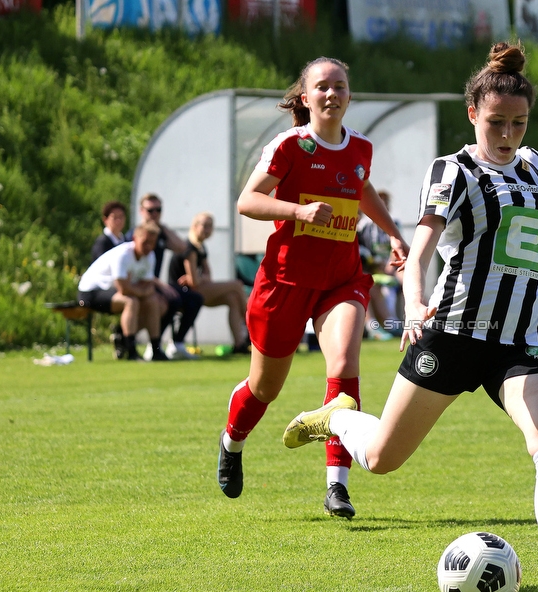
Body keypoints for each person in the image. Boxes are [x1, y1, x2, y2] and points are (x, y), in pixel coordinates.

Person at [282, 42, 538, 592]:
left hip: (525, 339)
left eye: (518, 123)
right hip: (455, 331)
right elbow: (418, 254)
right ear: (473, 115)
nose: (508, 134)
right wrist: (414, 305)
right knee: (382, 459)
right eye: (497, 123)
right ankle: (339, 419)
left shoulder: (537, 166)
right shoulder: (453, 170)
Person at [216, 56, 409, 520]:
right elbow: (248, 200)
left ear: (348, 95)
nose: (332, 94)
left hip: (340, 281)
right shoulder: (290, 146)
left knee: (344, 369)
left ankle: (336, 487)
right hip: (283, 283)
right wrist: (298, 212)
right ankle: (231, 442)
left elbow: (361, 189)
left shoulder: (360, 148)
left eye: (340, 86)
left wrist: (392, 232)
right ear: (306, 98)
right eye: (322, 87)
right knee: (265, 388)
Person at [77, 222, 169, 361]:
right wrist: (141, 291)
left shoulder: (149, 256)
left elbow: (148, 286)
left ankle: (155, 350)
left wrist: (139, 290)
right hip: (90, 293)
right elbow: (124, 289)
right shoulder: (122, 254)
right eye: (145, 242)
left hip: (114, 293)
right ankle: (131, 351)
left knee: (155, 302)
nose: (149, 246)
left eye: (152, 242)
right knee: (131, 301)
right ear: (135, 238)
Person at [127, 193, 204, 358]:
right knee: (171, 300)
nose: (154, 214)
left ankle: (177, 344)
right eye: (150, 210)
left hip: (154, 284)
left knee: (194, 298)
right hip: (140, 284)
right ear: (141, 211)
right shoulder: (134, 235)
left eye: (158, 210)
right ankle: (153, 346)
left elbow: (182, 247)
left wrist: (162, 227)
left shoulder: (160, 234)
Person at [169, 212, 251, 355]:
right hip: (183, 293)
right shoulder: (189, 248)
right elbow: (194, 282)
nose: (207, 230)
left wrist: (198, 278)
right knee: (237, 285)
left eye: (210, 227)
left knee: (232, 298)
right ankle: (252, 326)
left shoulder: (201, 247)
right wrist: (198, 279)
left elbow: (206, 276)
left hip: (196, 290)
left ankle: (240, 344)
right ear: (194, 226)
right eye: (204, 226)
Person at [357, 190, 403, 340]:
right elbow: (362, 254)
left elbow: (397, 245)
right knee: (369, 284)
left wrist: (390, 265)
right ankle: (376, 326)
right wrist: (374, 263)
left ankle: (413, 322)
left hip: (390, 266)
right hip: (370, 269)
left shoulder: (394, 223)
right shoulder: (362, 226)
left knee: (407, 280)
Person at [91, 200, 130, 358]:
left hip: (120, 287)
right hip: (100, 291)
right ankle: (127, 343)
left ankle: (121, 334)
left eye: (122, 217)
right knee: (133, 300)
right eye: (115, 217)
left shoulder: (125, 242)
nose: (119, 221)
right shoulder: (102, 242)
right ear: (105, 219)